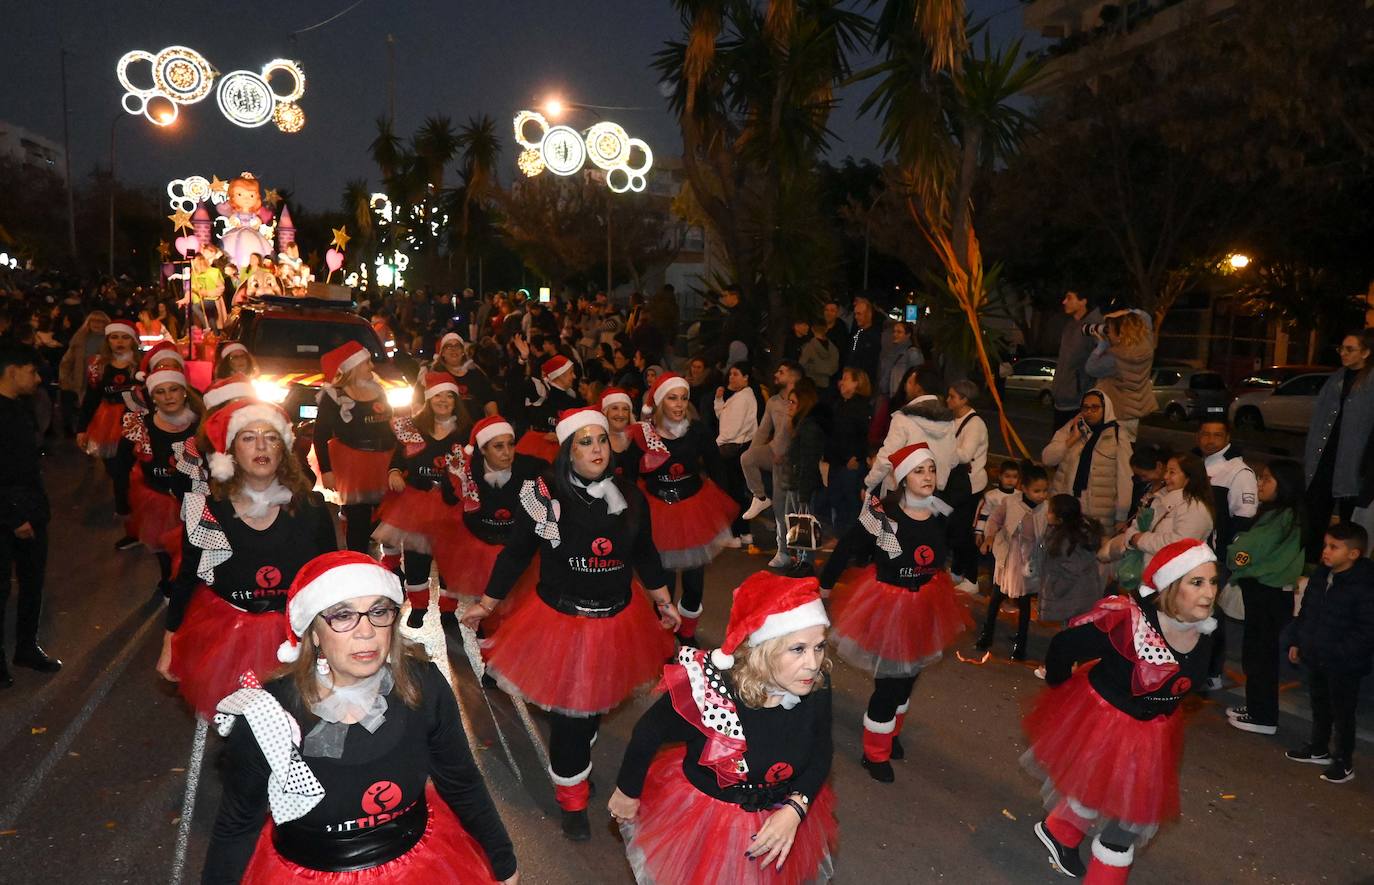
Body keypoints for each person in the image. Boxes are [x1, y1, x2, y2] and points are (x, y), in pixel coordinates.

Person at [203, 551, 518, 883]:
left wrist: (504, 862)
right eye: (343, 616)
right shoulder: (268, 714)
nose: (366, 632)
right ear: (312, 632)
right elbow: (237, 824)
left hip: (418, 866)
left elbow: (462, 783)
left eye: (378, 612)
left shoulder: (423, 685)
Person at [460, 406, 679, 841]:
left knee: (595, 704)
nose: (597, 448)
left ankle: (578, 762)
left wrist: (663, 601)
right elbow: (517, 552)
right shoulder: (543, 495)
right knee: (572, 717)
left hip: (617, 618)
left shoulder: (629, 496)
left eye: (601, 439)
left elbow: (645, 554)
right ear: (567, 450)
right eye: (585, 441)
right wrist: (487, 604)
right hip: (562, 621)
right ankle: (572, 800)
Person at [609, 572, 838, 884]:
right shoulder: (711, 693)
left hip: (782, 814)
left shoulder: (815, 685)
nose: (813, 662)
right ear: (762, 650)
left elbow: (821, 750)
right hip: (709, 821)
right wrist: (627, 791)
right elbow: (648, 732)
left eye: (820, 646)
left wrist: (796, 809)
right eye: (798, 649)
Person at [1025, 539, 1219, 881]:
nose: (1209, 593)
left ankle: (1059, 831)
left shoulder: (1209, 633)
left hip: (1153, 729)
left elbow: (1190, 683)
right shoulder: (1129, 624)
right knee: (1128, 819)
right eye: (1197, 582)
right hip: (1107, 721)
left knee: (1117, 799)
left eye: (1213, 582)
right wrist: (1058, 687)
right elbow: (1064, 645)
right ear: (1170, 587)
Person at [158, 399, 337, 718]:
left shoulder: (311, 508)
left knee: (297, 722)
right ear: (231, 452)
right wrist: (169, 642)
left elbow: (329, 578)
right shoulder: (207, 512)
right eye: (248, 437)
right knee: (243, 734)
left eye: (271, 437)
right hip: (230, 636)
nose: (261, 446)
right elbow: (187, 578)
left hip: (296, 634)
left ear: (283, 448)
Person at [819, 443, 972, 783]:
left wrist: (965, 569)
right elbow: (847, 547)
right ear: (903, 478)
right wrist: (825, 585)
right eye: (919, 471)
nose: (928, 477)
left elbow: (960, 547)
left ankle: (890, 733)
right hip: (888, 606)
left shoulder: (942, 514)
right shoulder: (884, 515)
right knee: (890, 684)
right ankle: (874, 753)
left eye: (931, 469)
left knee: (910, 678)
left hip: (927, 604)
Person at [630, 373, 739, 641]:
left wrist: (722, 508)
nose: (679, 404)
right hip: (657, 511)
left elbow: (715, 466)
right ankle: (664, 636)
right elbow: (631, 476)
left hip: (693, 509)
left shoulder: (697, 430)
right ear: (658, 402)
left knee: (694, 582)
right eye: (671, 398)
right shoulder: (644, 434)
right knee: (662, 582)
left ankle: (688, 633)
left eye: (683, 398)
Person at [372, 372, 470, 629]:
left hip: (452, 504)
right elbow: (398, 459)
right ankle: (418, 606)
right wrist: (394, 472)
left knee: (451, 560)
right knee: (416, 558)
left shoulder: (465, 432)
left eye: (450, 396)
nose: (444, 400)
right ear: (429, 399)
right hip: (417, 502)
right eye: (438, 395)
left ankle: (448, 610)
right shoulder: (413, 428)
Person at [1286, 522, 1374, 784]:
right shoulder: (1321, 575)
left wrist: (1338, 652)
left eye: (1334, 547)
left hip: (1344, 663)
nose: (1326, 551)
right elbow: (1307, 611)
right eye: (1326, 545)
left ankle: (1343, 761)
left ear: (1353, 554)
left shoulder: (1364, 585)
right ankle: (1318, 748)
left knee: (1343, 713)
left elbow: (1367, 630)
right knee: (1320, 704)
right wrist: (1297, 641)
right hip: (1316, 654)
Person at [1224, 459, 1306, 736]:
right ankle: (1256, 708)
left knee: (1260, 656)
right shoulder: (1278, 515)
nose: (1260, 484)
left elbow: (1246, 552)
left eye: (1267, 479)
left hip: (1267, 594)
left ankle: (1263, 716)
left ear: (1283, 485)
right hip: (1264, 592)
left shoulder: (1282, 518)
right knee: (1257, 654)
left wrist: (1235, 552)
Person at [431, 415, 543, 616]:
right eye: (498, 447)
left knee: (516, 602)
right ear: (482, 450)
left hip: (515, 542)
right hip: (477, 538)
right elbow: (449, 500)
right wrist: (453, 480)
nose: (507, 453)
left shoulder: (532, 468)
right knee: (481, 597)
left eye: (511, 444)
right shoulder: (467, 470)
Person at [0, 344, 60, 685]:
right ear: (12, 371)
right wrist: (14, 517)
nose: (37, 379)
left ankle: (26, 648)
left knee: (32, 584)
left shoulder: (20, 406)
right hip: (10, 515)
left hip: (32, 509)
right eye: (32, 371)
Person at [116, 363, 201, 598]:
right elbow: (121, 464)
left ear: (184, 391)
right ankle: (169, 581)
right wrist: (121, 502)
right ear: (152, 396)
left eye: (173, 389)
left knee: (193, 549)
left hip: (197, 499)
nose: (168, 397)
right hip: (159, 499)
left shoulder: (201, 424)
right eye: (160, 392)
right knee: (163, 548)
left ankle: (190, 585)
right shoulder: (141, 426)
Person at [313, 341, 398, 554]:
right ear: (354, 366)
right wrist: (327, 471)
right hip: (353, 466)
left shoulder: (378, 390)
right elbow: (320, 435)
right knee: (358, 519)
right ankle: (357, 560)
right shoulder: (334, 396)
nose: (372, 367)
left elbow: (389, 424)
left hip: (383, 460)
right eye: (367, 362)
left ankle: (386, 562)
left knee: (387, 516)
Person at [1196, 417, 1257, 690]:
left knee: (1212, 616)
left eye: (1216, 435)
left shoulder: (1238, 472)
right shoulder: (1195, 464)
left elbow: (1244, 522)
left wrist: (1228, 559)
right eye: (1205, 434)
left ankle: (1213, 671)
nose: (1210, 440)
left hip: (1215, 558)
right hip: (1191, 555)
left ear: (1228, 437)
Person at [1303, 329, 1374, 561]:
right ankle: (1313, 565)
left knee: (1349, 528)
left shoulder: (1370, 383)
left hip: (1353, 468)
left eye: (1349, 349)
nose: (1343, 353)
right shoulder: (1337, 379)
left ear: (1366, 352)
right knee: (1314, 521)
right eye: (1341, 348)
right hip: (1324, 462)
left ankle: (1346, 573)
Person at [976, 463, 1050, 660]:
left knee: (1024, 602)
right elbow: (994, 520)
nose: (1041, 495)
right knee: (997, 596)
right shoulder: (1011, 502)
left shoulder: (1046, 509)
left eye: (1044, 491)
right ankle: (987, 633)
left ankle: (1021, 642)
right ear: (1024, 488)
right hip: (1009, 556)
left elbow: (1050, 532)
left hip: (1029, 560)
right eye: (1036, 491)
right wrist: (989, 537)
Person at [76, 317, 142, 521]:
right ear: (108, 340)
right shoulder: (99, 365)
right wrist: (82, 428)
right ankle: (126, 503)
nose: (119, 342)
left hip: (134, 420)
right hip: (107, 419)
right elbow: (91, 397)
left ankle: (126, 507)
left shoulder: (140, 365)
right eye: (114, 337)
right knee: (113, 466)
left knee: (127, 464)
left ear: (133, 340)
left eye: (124, 337)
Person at [1042, 389, 1133, 530]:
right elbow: (1048, 459)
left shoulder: (1117, 435)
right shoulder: (1072, 427)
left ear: (1105, 408)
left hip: (1098, 511)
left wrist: (1121, 515)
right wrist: (1072, 439)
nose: (1089, 412)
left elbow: (1125, 477)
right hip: (1065, 505)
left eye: (1095, 407)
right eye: (1085, 407)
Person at [740, 361, 803, 565]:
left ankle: (798, 553)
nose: (776, 374)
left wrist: (790, 455)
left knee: (793, 510)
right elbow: (763, 431)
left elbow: (805, 433)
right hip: (776, 456)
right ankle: (760, 498)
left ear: (794, 376)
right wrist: (754, 454)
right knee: (778, 506)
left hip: (795, 462)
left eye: (782, 372)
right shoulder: (774, 401)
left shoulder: (803, 400)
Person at [865, 366, 959, 498]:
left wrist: (869, 484)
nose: (905, 386)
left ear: (918, 388)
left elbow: (887, 457)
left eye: (909, 382)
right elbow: (953, 459)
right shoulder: (948, 420)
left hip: (901, 491)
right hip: (932, 491)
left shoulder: (904, 418)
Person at [774, 379, 827, 575]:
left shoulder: (809, 428)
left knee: (804, 523)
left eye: (793, 402)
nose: (789, 406)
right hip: (795, 483)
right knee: (796, 522)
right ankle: (800, 560)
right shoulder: (801, 426)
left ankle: (807, 563)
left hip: (802, 484)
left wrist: (804, 492)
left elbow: (808, 462)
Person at [817, 367, 872, 542]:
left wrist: (857, 456)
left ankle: (850, 542)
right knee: (836, 500)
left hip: (850, 464)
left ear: (857, 383)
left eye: (846, 378)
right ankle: (839, 539)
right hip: (836, 462)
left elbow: (865, 435)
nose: (842, 382)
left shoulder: (862, 406)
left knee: (849, 503)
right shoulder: (839, 404)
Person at [1085, 310, 1156, 441]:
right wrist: (1125, 313)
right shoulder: (1147, 346)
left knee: (1114, 455)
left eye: (1110, 330)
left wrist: (1101, 347)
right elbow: (1146, 317)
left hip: (1118, 414)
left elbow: (1090, 368)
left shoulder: (1115, 359)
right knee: (1128, 451)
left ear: (1120, 334)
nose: (1108, 334)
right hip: (1134, 413)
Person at [1035, 494, 1106, 624]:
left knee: (1072, 629)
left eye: (1050, 511)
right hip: (1078, 595)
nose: (1047, 514)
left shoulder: (1068, 541)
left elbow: (1072, 571)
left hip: (1073, 597)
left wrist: (1056, 588)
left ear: (1060, 519)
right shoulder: (1074, 533)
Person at [948, 380, 988, 592]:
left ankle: (971, 578)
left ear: (964, 399)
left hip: (969, 488)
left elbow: (964, 455)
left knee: (964, 531)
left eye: (952, 396)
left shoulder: (974, 424)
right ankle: (957, 571)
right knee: (955, 529)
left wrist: (943, 448)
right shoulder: (955, 419)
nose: (948, 400)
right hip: (957, 485)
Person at [714, 363, 760, 548]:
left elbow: (731, 429)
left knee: (732, 493)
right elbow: (724, 417)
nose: (731, 378)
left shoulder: (743, 398)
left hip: (733, 450)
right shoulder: (741, 396)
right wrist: (719, 400)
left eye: (735, 374)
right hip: (739, 448)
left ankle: (736, 533)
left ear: (746, 377)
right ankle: (744, 532)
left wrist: (716, 444)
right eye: (730, 374)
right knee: (738, 492)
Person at [514, 354, 582, 463]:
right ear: (560, 375)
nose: (574, 376)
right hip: (542, 452)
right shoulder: (542, 395)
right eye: (571, 372)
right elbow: (516, 388)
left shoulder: (571, 399)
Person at [1050, 290, 1102, 430]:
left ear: (1083, 301)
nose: (1064, 302)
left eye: (1069, 298)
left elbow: (1100, 364)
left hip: (1078, 403)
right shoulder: (1070, 325)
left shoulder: (1093, 328)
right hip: (1062, 400)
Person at [973, 460, 1021, 594]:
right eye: (1007, 476)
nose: (1011, 480)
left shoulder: (1019, 496)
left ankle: (1003, 589)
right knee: (990, 562)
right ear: (1000, 476)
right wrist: (978, 532)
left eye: (1014, 477)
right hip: (991, 536)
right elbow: (983, 514)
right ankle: (990, 588)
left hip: (1009, 537)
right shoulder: (991, 496)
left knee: (1007, 563)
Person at [432, 331, 499, 418]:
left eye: (457, 346)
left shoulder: (476, 374)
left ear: (463, 352)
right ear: (443, 353)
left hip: (475, 428)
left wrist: (493, 422)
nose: (453, 349)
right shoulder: (435, 375)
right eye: (449, 346)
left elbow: (489, 401)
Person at [840, 295, 883, 390]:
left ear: (869, 314)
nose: (856, 317)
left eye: (859, 314)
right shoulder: (857, 333)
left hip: (862, 384)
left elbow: (870, 363)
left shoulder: (874, 337)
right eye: (855, 314)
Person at [600, 387, 642, 480]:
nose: (620, 414)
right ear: (606, 412)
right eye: (615, 408)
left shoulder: (638, 438)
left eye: (625, 409)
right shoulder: (598, 441)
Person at [877, 321, 923, 404]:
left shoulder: (912, 353)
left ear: (908, 335)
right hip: (889, 395)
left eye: (899, 332)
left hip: (901, 398)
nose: (895, 334)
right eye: (894, 331)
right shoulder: (892, 352)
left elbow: (917, 376)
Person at [800, 319, 839, 392]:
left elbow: (801, 365)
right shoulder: (833, 348)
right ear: (826, 329)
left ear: (812, 329)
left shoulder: (809, 347)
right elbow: (834, 368)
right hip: (826, 385)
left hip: (810, 385)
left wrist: (811, 368)